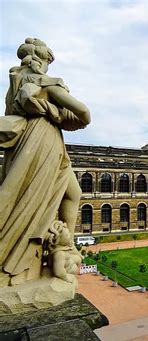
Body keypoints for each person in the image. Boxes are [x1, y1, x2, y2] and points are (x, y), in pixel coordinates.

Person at [0, 38, 90, 285]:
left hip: (28, 141)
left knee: (27, 195)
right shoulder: (45, 82)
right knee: (35, 198)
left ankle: (64, 247)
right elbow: (84, 114)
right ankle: (60, 249)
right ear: (44, 60)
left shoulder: (15, 83)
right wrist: (58, 112)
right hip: (44, 140)